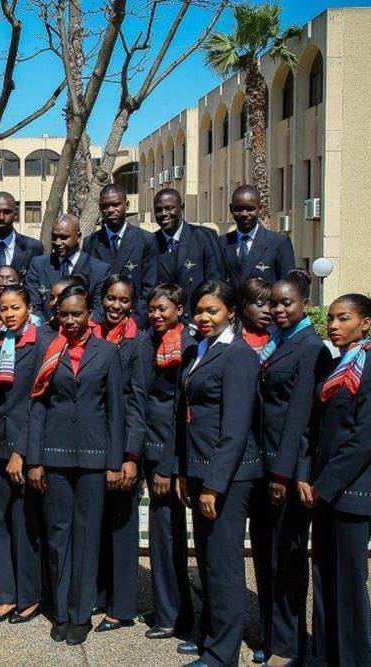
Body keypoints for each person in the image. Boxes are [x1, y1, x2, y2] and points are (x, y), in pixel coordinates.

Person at [26, 282, 124, 646]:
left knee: (87, 536)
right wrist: (34, 459)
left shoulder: (107, 352)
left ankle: (81, 614)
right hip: (54, 455)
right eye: (64, 314)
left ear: (89, 315)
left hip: (95, 457)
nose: (69, 320)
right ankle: (62, 611)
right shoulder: (48, 350)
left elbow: (116, 409)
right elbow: (36, 405)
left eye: (77, 314)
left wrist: (115, 461)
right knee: (58, 535)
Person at [175, 281, 262, 667]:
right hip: (198, 469)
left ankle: (223, 653)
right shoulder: (200, 350)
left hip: (227, 475)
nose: (204, 317)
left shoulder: (239, 355)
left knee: (224, 564)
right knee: (208, 558)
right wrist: (184, 472)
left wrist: (213, 483)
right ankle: (210, 633)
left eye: (212, 310)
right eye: (199, 311)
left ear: (231, 312)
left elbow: (236, 427)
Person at [298, 294, 371, 667]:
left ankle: (357, 659)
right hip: (324, 491)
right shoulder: (335, 368)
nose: (333, 325)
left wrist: (323, 484)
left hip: (352, 492)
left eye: (343, 318)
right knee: (324, 576)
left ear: (365, 323)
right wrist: (307, 479)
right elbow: (316, 431)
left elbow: (364, 439)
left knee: (350, 584)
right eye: (331, 318)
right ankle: (326, 655)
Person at [252, 271, 332, 666]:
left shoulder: (309, 346)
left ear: (304, 304)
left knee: (287, 560)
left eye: (287, 303)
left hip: (286, 469)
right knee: (266, 556)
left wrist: (284, 474)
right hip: (264, 466)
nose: (278, 310)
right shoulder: (276, 342)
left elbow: (300, 416)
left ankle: (290, 645)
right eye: (273, 303)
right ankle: (270, 635)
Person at [91, 276, 153, 634]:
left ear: (132, 304)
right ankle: (101, 593)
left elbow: (138, 402)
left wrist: (130, 455)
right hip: (96, 443)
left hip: (124, 446)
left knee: (122, 527)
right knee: (101, 524)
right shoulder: (94, 335)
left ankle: (123, 605)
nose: (116, 306)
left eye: (123, 301)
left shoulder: (138, 342)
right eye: (110, 299)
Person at [0, 285, 49, 625]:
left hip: (23, 447)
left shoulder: (40, 343)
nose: (9, 314)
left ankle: (29, 596)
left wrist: (22, 451)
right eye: (4, 309)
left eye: (15, 308)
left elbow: (38, 402)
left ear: (28, 308)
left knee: (24, 524)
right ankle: (6, 595)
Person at [142, 284, 196, 640]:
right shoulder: (148, 341)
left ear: (179, 308)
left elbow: (181, 411)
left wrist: (167, 466)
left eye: (164, 309)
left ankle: (177, 616)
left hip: (169, 455)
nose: (157, 314)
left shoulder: (188, 346)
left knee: (168, 537)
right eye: (152, 308)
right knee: (161, 538)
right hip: (148, 447)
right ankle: (165, 607)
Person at [82, 185, 158, 325]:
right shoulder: (91, 242)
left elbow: (149, 287)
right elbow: (89, 285)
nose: (111, 210)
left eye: (116, 205)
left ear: (126, 205)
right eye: (105, 206)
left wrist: (134, 321)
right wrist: (98, 319)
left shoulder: (146, 240)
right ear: (100, 208)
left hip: (135, 321)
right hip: (101, 321)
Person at [25, 214, 110, 321]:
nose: (58, 242)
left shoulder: (99, 270)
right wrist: (48, 329)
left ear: (78, 237)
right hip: (45, 333)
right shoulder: (38, 265)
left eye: (64, 237)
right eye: (54, 237)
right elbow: (34, 306)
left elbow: (99, 312)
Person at [151, 189, 223, 308]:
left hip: (196, 316)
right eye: (158, 210)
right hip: (163, 319)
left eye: (169, 208)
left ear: (181, 207)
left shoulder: (204, 237)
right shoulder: (151, 242)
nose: (164, 213)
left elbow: (214, 281)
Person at [221, 185, 296, 286]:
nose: (244, 214)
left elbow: (288, 286)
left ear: (260, 209)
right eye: (238, 209)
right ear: (231, 209)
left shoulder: (279, 243)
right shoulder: (219, 243)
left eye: (250, 209)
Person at [240, 278, 273, 355]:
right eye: (260, 304)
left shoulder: (275, 337)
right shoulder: (231, 339)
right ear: (244, 304)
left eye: (271, 305)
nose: (267, 310)